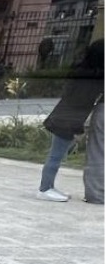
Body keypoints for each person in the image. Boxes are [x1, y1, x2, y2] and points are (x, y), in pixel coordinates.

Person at [39, 39, 103, 203]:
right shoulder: (91, 78)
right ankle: (45, 189)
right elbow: (78, 106)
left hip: (63, 117)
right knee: (55, 156)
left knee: (57, 155)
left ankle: (48, 187)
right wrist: (77, 129)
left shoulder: (84, 70)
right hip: (66, 120)